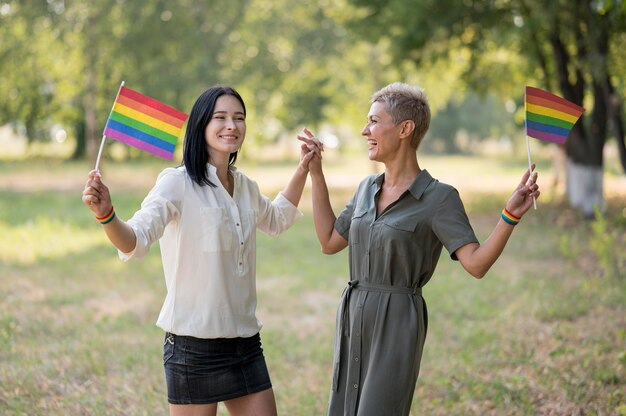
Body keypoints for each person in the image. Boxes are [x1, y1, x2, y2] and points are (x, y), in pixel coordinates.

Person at [298, 82, 540, 416]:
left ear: (404, 129)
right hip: (353, 312)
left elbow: (477, 264)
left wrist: (509, 215)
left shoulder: (440, 198)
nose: (364, 130)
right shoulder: (366, 188)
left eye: (373, 121)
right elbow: (328, 241)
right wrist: (316, 173)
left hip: (398, 319)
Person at [82, 85, 318, 416]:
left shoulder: (246, 186)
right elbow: (134, 239)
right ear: (201, 126)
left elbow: (277, 219)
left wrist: (303, 168)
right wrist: (106, 214)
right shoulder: (176, 183)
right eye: (220, 117)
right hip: (193, 349)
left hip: (245, 344)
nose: (231, 126)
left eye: (239, 118)